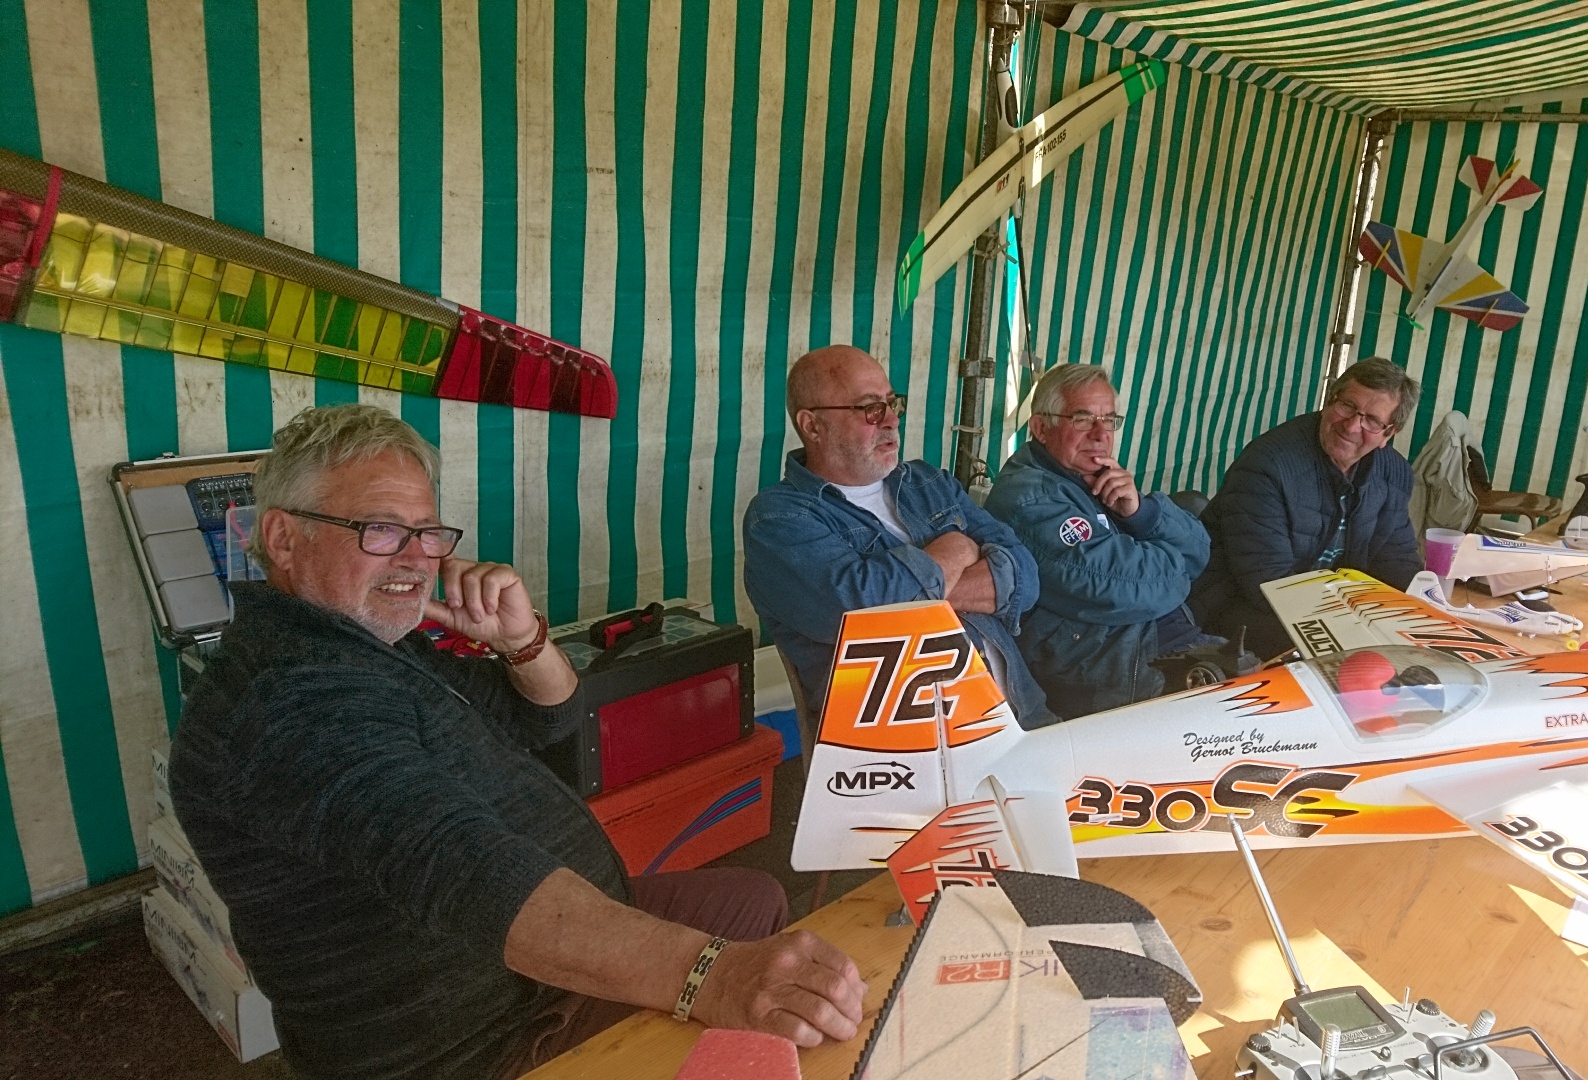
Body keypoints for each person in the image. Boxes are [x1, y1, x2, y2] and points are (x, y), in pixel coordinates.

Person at [169, 405, 864, 1080]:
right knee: (770, 994)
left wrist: (521, 640)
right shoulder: (287, 700)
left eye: (428, 532)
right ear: (284, 538)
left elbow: (548, 720)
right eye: (380, 529)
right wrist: (712, 977)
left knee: (752, 901)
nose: (416, 559)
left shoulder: (364, 643)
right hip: (484, 1040)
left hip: (529, 964)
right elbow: (466, 869)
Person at [744, 345, 1055, 725]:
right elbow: (859, 617)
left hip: (1023, 715)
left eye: (893, 403)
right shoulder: (778, 517)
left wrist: (910, 597)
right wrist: (958, 549)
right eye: (870, 408)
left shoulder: (929, 482)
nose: (891, 420)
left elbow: (1026, 578)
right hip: (902, 743)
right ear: (813, 426)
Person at [984, 364, 1213, 718]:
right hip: (1115, 668)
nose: (1100, 434)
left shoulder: (1091, 477)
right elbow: (1129, 586)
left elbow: (1201, 549)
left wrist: (1141, 513)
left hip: (1157, 643)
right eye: (1082, 419)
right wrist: (1180, 567)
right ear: (1041, 428)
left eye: (1109, 420)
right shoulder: (1030, 499)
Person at [1189, 357, 1423, 659]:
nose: (1352, 426)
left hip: (1325, 609)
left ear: (1388, 433)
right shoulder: (1268, 465)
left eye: (1372, 421)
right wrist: (1349, 623)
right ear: (1329, 400)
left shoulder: (1393, 473)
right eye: (1347, 406)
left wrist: (1417, 610)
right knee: (1352, 656)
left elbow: (1397, 562)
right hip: (1235, 606)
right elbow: (1267, 582)